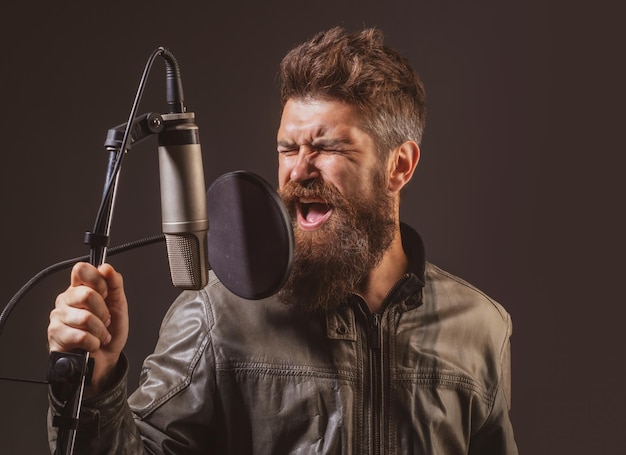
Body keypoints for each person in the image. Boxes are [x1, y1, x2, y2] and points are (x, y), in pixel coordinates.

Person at [47, 26, 518, 454]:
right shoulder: (217, 316)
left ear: (399, 166)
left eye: (328, 147)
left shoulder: (479, 328)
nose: (298, 169)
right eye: (288, 149)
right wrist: (99, 385)